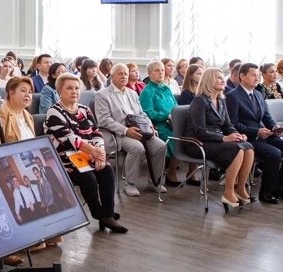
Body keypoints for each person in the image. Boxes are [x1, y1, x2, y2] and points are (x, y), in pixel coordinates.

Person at [45, 73, 125, 233]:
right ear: (60, 90)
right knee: (88, 176)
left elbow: (96, 132)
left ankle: (107, 216)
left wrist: (100, 152)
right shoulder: (54, 112)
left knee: (107, 170)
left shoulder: (85, 109)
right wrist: (94, 152)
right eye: (69, 88)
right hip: (65, 160)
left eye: (76, 88)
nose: (74, 91)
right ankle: (99, 213)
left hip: (88, 155)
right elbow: (70, 139)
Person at [226, 63, 283, 204]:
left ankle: (280, 187)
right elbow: (233, 124)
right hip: (248, 138)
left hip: (265, 135)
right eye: (253, 75)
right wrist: (257, 131)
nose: (257, 78)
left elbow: (266, 117)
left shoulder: (258, 94)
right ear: (242, 76)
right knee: (274, 154)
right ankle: (266, 192)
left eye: (258, 75)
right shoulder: (233, 96)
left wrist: (274, 127)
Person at [186, 68, 255, 210]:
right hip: (198, 143)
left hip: (216, 140)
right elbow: (200, 131)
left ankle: (241, 188)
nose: (223, 80)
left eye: (223, 77)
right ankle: (228, 192)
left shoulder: (221, 100)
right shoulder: (199, 101)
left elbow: (228, 125)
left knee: (247, 146)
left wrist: (237, 134)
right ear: (209, 80)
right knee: (237, 149)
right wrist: (224, 138)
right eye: (219, 77)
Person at [94, 63, 167, 196]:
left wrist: (149, 123)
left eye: (126, 74)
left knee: (161, 146)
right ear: (112, 76)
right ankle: (130, 183)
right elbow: (104, 120)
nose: (124, 76)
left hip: (139, 129)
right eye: (120, 73)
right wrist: (126, 131)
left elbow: (141, 113)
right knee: (137, 148)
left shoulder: (132, 93)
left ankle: (154, 181)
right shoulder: (102, 95)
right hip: (117, 133)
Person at [140, 59, 192, 186]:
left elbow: (176, 106)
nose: (161, 73)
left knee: (190, 135)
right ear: (149, 73)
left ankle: (190, 172)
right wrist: (166, 115)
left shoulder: (167, 89)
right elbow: (148, 113)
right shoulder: (146, 92)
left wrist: (174, 115)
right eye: (157, 70)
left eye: (162, 70)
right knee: (175, 139)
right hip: (158, 126)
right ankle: (171, 172)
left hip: (173, 122)